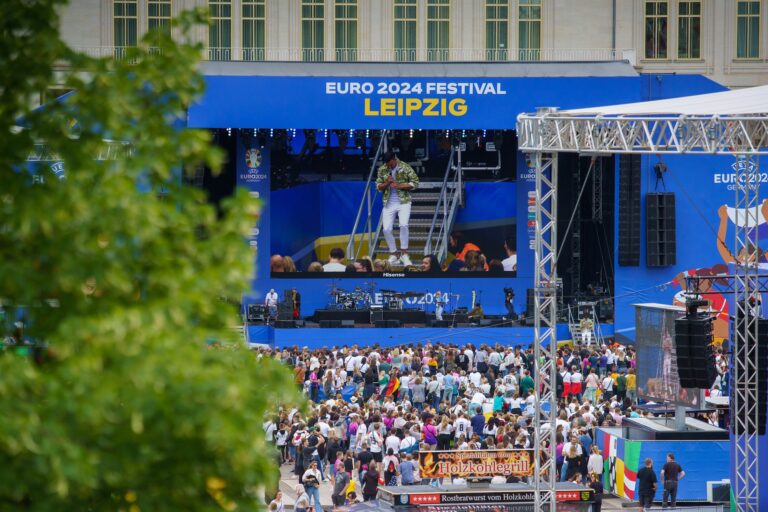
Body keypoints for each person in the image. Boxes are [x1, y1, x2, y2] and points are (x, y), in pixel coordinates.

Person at [376, 150, 419, 266]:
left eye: (390, 162)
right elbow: (378, 187)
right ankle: (394, 254)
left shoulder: (405, 167)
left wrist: (400, 186)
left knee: (404, 225)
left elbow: (415, 183)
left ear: (394, 158)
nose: (388, 165)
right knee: (386, 229)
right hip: (388, 203)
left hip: (404, 201)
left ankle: (404, 254)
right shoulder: (382, 169)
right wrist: (387, 183)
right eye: (386, 163)